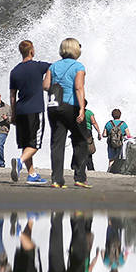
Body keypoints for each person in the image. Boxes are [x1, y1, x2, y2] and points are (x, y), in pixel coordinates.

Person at [46, 37, 91, 188]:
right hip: (71, 107)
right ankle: (79, 177)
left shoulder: (53, 66)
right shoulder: (78, 66)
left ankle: (56, 180)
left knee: (57, 143)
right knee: (81, 141)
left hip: (54, 107)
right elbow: (79, 87)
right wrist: (82, 109)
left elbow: (45, 85)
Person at [9, 39, 50, 184]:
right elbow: (55, 68)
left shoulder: (14, 71)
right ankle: (19, 162)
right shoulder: (39, 66)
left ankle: (32, 174)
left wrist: (13, 113)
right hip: (35, 109)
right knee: (35, 144)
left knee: (26, 144)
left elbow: (12, 95)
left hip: (20, 111)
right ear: (32, 51)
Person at [83, 101, 102, 171]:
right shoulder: (89, 113)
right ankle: (90, 168)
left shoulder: (76, 112)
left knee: (79, 149)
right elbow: (94, 122)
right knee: (88, 150)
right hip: (87, 132)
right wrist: (99, 132)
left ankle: (77, 167)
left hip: (78, 131)